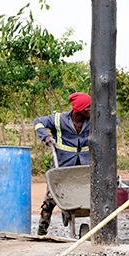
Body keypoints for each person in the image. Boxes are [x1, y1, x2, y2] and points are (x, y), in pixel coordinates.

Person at [33, 92, 92, 236]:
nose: (92, 109)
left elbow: (114, 121)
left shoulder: (93, 119)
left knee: (91, 196)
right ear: (80, 110)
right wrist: (45, 137)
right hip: (63, 167)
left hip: (84, 168)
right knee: (51, 198)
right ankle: (42, 227)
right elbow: (38, 122)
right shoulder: (58, 119)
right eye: (89, 107)